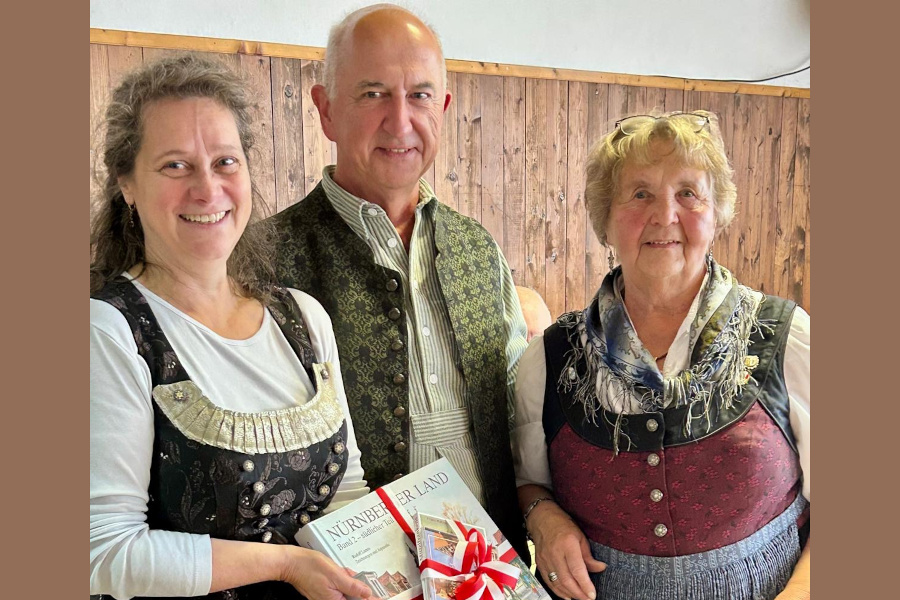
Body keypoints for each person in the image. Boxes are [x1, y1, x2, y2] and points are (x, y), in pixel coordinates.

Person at [90, 55, 373, 600]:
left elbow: (348, 492)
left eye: (225, 161)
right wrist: (286, 565)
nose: (206, 188)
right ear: (127, 184)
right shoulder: (109, 332)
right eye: (175, 165)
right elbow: (104, 551)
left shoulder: (303, 317)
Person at [269, 4, 530, 562]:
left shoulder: (478, 250)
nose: (400, 121)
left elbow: (519, 419)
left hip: (489, 573)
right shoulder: (267, 261)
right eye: (372, 94)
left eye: (420, 96)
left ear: (445, 108)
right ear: (326, 110)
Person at [513, 111, 810, 600]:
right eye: (640, 193)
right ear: (606, 221)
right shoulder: (549, 360)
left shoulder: (786, 339)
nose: (665, 215)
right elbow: (529, 483)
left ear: (717, 213)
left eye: (688, 193)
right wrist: (543, 519)